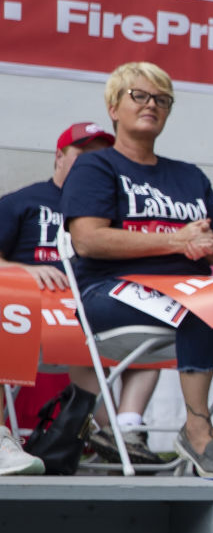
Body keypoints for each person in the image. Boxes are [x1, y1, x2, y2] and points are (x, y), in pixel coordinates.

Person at [61, 62, 213, 478]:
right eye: (140, 96)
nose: (152, 105)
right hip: (108, 291)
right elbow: (88, 240)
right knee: (205, 300)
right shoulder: (96, 167)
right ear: (114, 107)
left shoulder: (188, 175)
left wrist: (206, 244)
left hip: (187, 289)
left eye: (162, 99)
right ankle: (197, 430)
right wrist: (176, 240)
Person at [0, 120, 147, 474]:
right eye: (83, 153)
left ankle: (118, 430)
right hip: (26, 310)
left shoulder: (113, 213)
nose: (91, 164)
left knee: (145, 319)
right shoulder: (22, 202)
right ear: (59, 157)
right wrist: (23, 271)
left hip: (87, 312)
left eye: (101, 158)